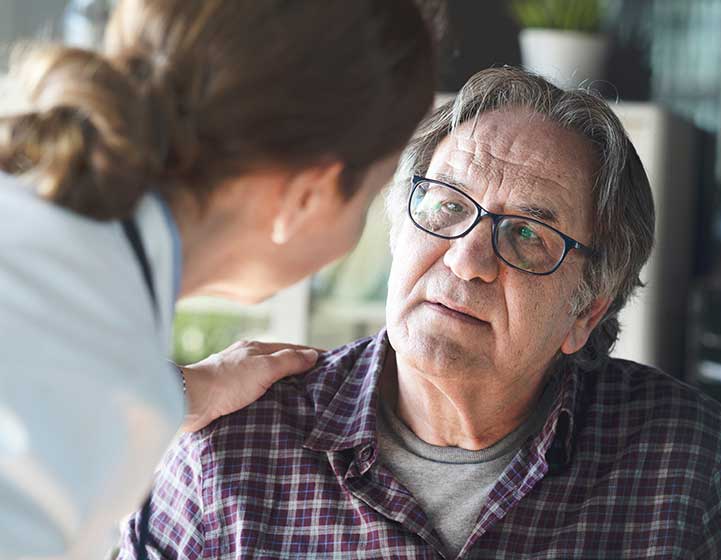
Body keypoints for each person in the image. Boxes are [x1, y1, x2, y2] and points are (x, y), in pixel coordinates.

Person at [120, 67, 721, 559]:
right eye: (448, 206)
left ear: (586, 314)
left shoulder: (682, 457)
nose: (467, 259)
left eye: (528, 234)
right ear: (399, 229)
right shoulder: (232, 445)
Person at [0, 1, 436, 557]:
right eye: (373, 195)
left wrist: (181, 390)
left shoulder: (63, 280)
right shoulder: (97, 376)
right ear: (307, 196)